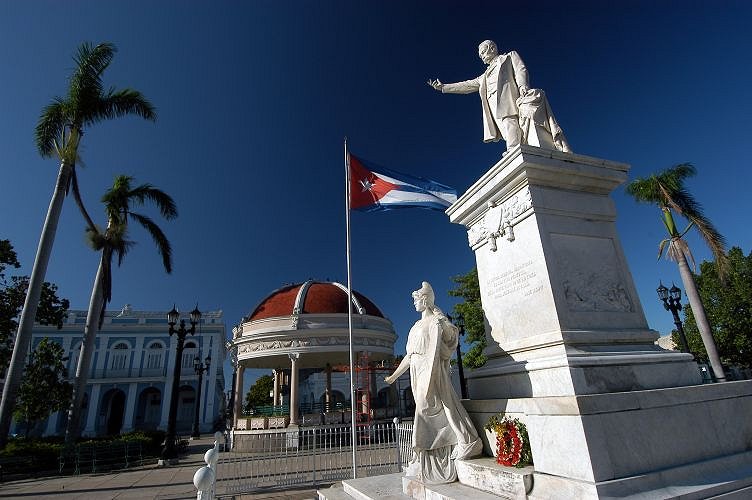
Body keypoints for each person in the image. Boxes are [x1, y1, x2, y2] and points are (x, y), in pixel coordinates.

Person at [385, 282, 482, 484]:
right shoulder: (414, 327)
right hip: (417, 370)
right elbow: (410, 356)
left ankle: (459, 441)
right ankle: (427, 455)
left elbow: (450, 339)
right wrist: (394, 376)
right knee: (425, 409)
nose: (413, 304)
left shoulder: (436, 322)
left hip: (432, 369)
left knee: (435, 407)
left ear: (426, 299)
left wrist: (444, 323)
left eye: (416, 300)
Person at [428, 40, 529, 151]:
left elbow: (520, 70)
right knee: (503, 127)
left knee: (509, 120)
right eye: (480, 55)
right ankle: (514, 147)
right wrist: (444, 87)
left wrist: (522, 86)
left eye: (483, 52)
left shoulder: (509, 57)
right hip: (492, 101)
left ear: (492, 48)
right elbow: (467, 85)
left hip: (507, 95)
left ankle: (513, 148)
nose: (482, 56)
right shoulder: (483, 77)